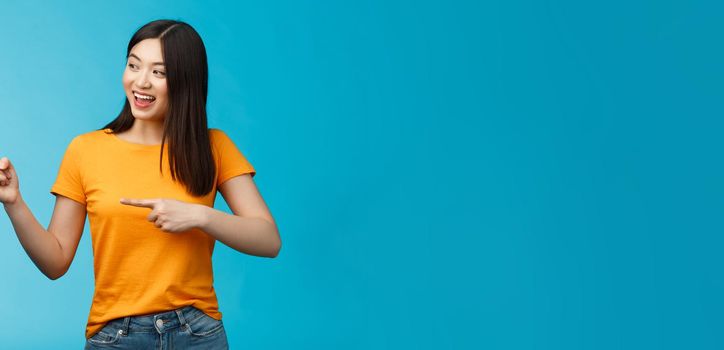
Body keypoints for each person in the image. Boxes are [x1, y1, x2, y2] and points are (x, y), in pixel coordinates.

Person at [0, 19, 281, 349]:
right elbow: (55, 261)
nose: (141, 81)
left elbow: (268, 240)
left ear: (185, 82)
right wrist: (13, 202)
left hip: (197, 332)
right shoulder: (86, 150)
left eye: (159, 72)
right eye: (133, 65)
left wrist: (199, 217)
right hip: (117, 336)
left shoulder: (213, 147)